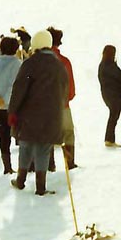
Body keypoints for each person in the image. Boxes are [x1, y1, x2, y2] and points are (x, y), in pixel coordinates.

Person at [8, 31, 68, 196]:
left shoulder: (30, 63)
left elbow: (19, 89)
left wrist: (13, 111)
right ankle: (41, 187)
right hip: (52, 116)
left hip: (30, 114)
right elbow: (65, 91)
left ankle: (20, 180)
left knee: (26, 145)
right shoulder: (58, 65)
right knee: (43, 148)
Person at [0, 37, 22, 174]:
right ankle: (24, 166)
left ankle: (7, 166)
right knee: (21, 137)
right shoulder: (18, 64)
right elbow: (15, 85)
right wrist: (6, 99)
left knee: (3, 138)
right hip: (15, 107)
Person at [48, 27, 77, 169]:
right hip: (62, 105)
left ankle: (49, 164)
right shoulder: (65, 61)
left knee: (46, 136)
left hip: (44, 106)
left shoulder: (36, 61)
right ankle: (69, 162)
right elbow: (71, 89)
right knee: (68, 134)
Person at [98, 45, 121, 147]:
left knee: (113, 115)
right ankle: (109, 139)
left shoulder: (103, 65)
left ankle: (109, 139)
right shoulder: (110, 66)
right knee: (114, 116)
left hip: (108, 94)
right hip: (114, 95)